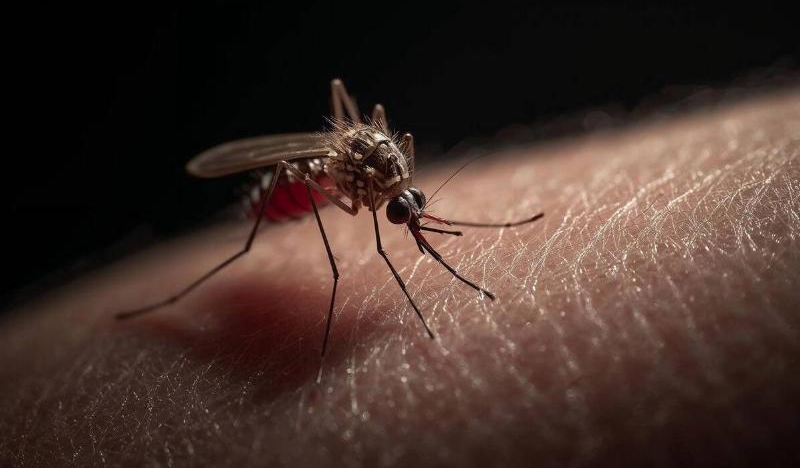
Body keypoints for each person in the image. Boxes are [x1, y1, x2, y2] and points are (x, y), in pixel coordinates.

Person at [1, 89, 798, 467]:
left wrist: (436, 212)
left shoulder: (398, 173)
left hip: (340, 169)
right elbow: (369, 194)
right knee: (301, 236)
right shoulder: (359, 181)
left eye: (406, 205)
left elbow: (394, 171)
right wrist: (350, 252)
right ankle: (186, 294)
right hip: (289, 184)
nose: (409, 212)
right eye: (406, 207)